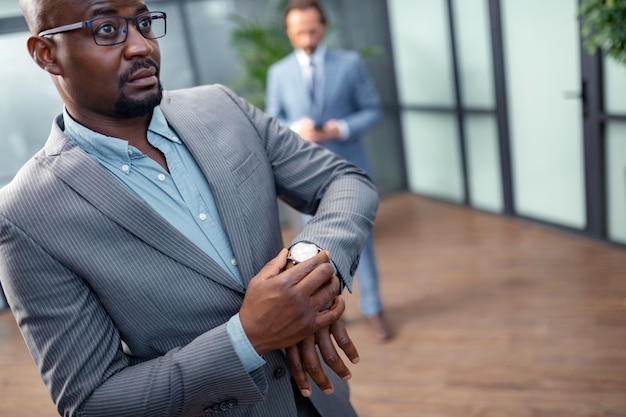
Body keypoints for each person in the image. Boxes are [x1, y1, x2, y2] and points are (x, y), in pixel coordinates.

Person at [0, 0, 380, 416]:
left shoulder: (222, 107)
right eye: (107, 29)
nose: (141, 46)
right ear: (45, 54)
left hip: (324, 400)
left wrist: (308, 266)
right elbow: (93, 401)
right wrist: (246, 338)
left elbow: (344, 180)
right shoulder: (25, 216)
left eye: (144, 23)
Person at [266, 0, 391, 341]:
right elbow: (271, 120)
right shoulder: (278, 73)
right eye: (298, 32)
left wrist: (340, 128)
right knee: (311, 250)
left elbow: (372, 109)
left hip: (349, 172)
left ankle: (374, 308)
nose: (306, 38)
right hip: (302, 179)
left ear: (323, 27)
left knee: (361, 243)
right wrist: (295, 128)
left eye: (312, 30)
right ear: (289, 33)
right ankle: (327, 313)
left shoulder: (350, 64)